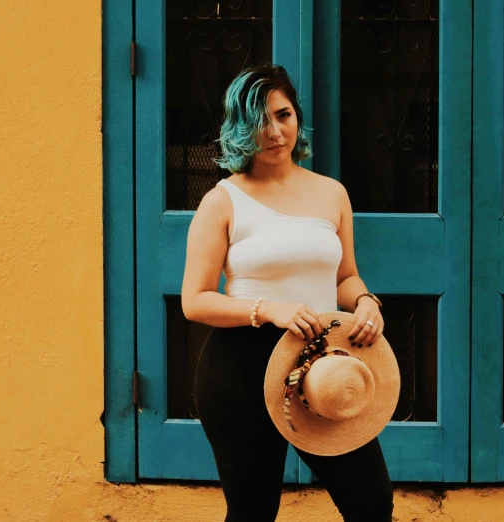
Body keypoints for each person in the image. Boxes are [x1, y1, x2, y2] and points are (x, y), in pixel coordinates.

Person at [181, 63, 394, 522]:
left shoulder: (331, 193)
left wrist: (365, 301)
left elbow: (345, 276)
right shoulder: (223, 200)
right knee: (254, 512)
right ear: (240, 129)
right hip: (242, 367)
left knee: (371, 503)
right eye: (260, 121)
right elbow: (194, 299)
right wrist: (270, 310)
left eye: (283, 115)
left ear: (297, 116)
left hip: (323, 364)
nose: (275, 131)